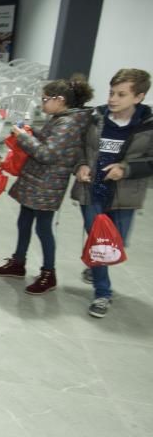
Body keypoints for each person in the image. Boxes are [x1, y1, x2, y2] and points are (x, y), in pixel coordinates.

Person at [0, 79, 94, 293]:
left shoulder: (68, 123)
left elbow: (47, 154)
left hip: (48, 184)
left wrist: (25, 138)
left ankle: (49, 273)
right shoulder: (60, 118)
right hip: (37, 180)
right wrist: (33, 132)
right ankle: (18, 262)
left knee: (43, 228)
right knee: (24, 220)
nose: (42, 104)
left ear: (60, 100)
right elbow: (48, 141)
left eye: (45, 99)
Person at [69, 68, 153, 318]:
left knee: (118, 242)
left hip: (124, 196)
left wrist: (125, 169)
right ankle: (102, 293)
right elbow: (80, 147)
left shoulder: (148, 126)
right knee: (100, 245)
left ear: (138, 97)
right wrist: (81, 165)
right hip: (92, 192)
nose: (113, 99)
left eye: (121, 94)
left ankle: (96, 267)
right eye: (111, 93)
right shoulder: (95, 118)